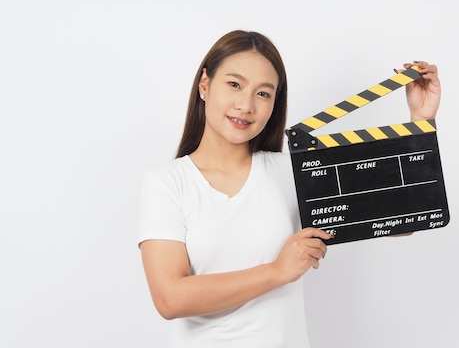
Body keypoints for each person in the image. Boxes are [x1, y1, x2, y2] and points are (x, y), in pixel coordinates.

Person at [138, 29, 441, 347]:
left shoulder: (292, 172)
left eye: (263, 93)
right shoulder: (166, 182)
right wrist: (279, 270)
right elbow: (170, 299)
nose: (246, 105)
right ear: (205, 84)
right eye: (234, 84)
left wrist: (420, 122)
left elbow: (401, 218)